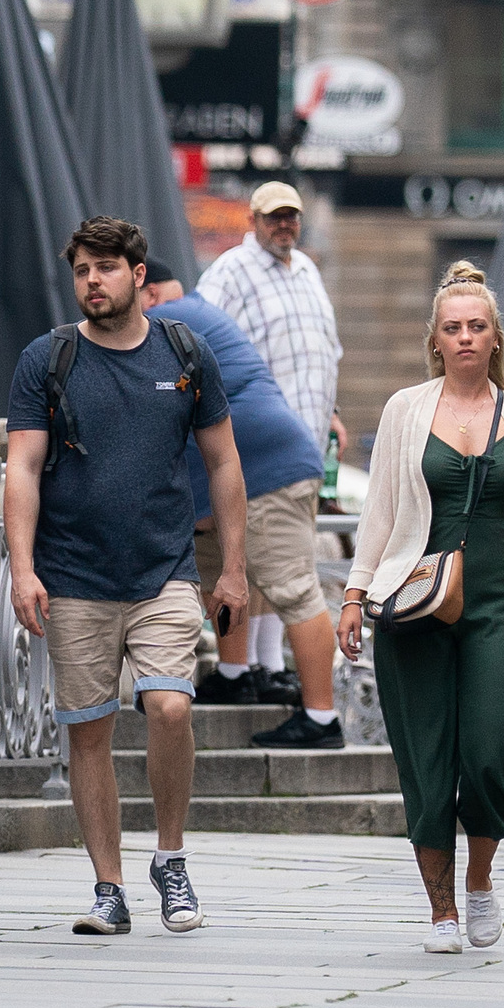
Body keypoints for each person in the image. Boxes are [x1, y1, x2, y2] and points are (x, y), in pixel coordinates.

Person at [2, 217, 253, 941]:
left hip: (163, 570)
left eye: (106, 268)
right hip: (72, 573)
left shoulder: (185, 352)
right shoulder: (47, 357)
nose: (93, 281)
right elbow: (22, 467)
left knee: (170, 708)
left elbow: (224, 462)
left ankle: (170, 859)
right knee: (89, 733)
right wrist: (23, 568)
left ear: (139, 275)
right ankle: (108, 886)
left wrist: (234, 569)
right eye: (83, 269)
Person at [342, 265, 504, 954]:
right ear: (435, 341)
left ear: (495, 338)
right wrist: (353, 594)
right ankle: (441, 910)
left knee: (493, 744)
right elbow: (379, 512)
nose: (465, 336)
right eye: (452, 327)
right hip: (415, 606)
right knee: (427, 758)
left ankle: (479, 878)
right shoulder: (404, 409)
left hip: (499, 607)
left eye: (477, 326)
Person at [137, 257, 340, 751]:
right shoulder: (195, 312)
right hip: (245, 475)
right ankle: (234, 673)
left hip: (269, 472)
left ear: (150, 292)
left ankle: (322, 717)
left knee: (293, 590)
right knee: (219, 571)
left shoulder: (166, 321)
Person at [198, 181, 345, 699]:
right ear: (253, 221)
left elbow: (325, 352)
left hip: (305, 442)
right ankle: (252, 666)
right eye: (273, 216)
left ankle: (264, 663)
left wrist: (333, 413)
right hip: (259, 444)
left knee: (279, 561)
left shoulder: (306, 269)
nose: (284, 225)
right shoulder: (231, 271)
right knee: (260, 559)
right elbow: (201, 345)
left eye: (291, 216)